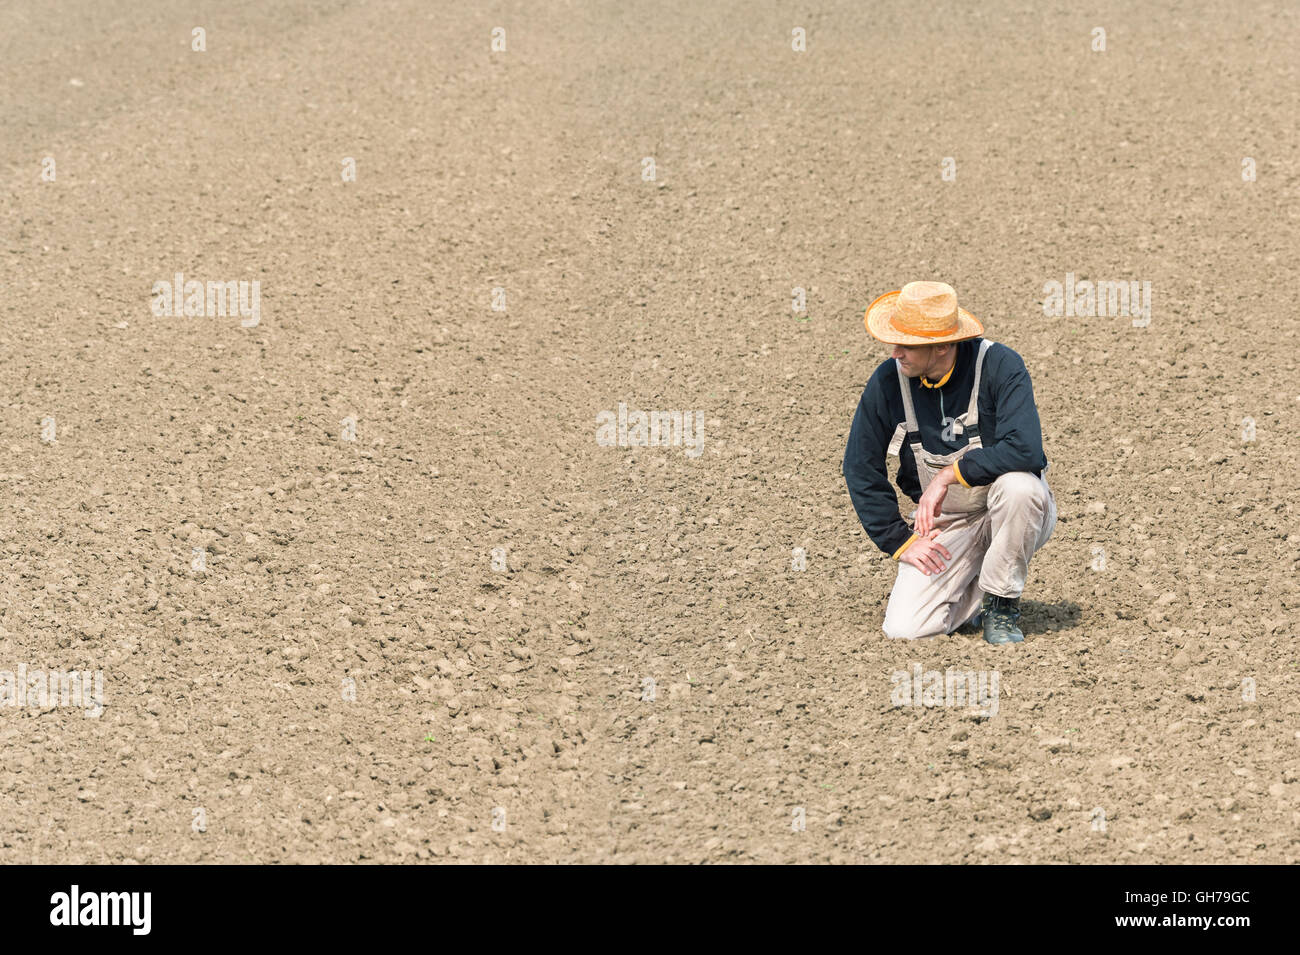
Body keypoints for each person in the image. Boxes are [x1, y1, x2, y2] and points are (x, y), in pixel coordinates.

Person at [843, 281, 1057, 644]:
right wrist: (899, 540)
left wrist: (948, 475)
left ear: (942, 346)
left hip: (1007, 507)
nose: (895, 352)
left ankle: (1001, 605)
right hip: (946, 523)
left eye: (906, 344)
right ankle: (975, 595)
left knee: (1021, 487)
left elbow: (1026, 450)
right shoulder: (888, 381)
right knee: (904, 630)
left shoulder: (1000, 366)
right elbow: (859, 466)